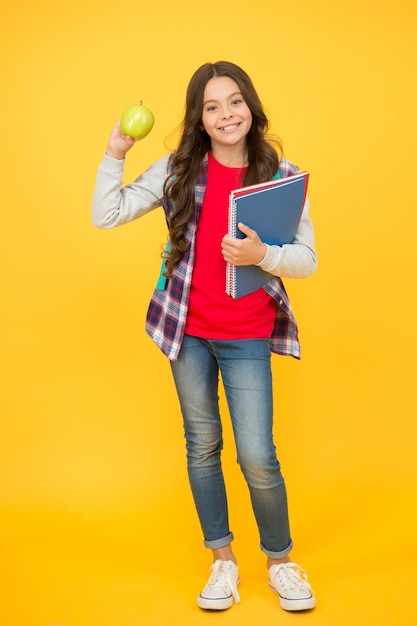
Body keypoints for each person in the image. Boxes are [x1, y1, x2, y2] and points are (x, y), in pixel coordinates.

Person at [92, 60, 318, 612]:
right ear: (198, 118)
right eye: (211, 106)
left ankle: (281, 562)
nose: (225, 114)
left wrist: (262, 255)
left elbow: (307, 260)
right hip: (186, 334)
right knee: (202, 447)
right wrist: (116, 152)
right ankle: (222, 562)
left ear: (251, 107)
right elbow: (107, 213)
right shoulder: (175, 170)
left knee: (257, 455)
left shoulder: (281, 176)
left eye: (234, 101)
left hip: (246, 335)